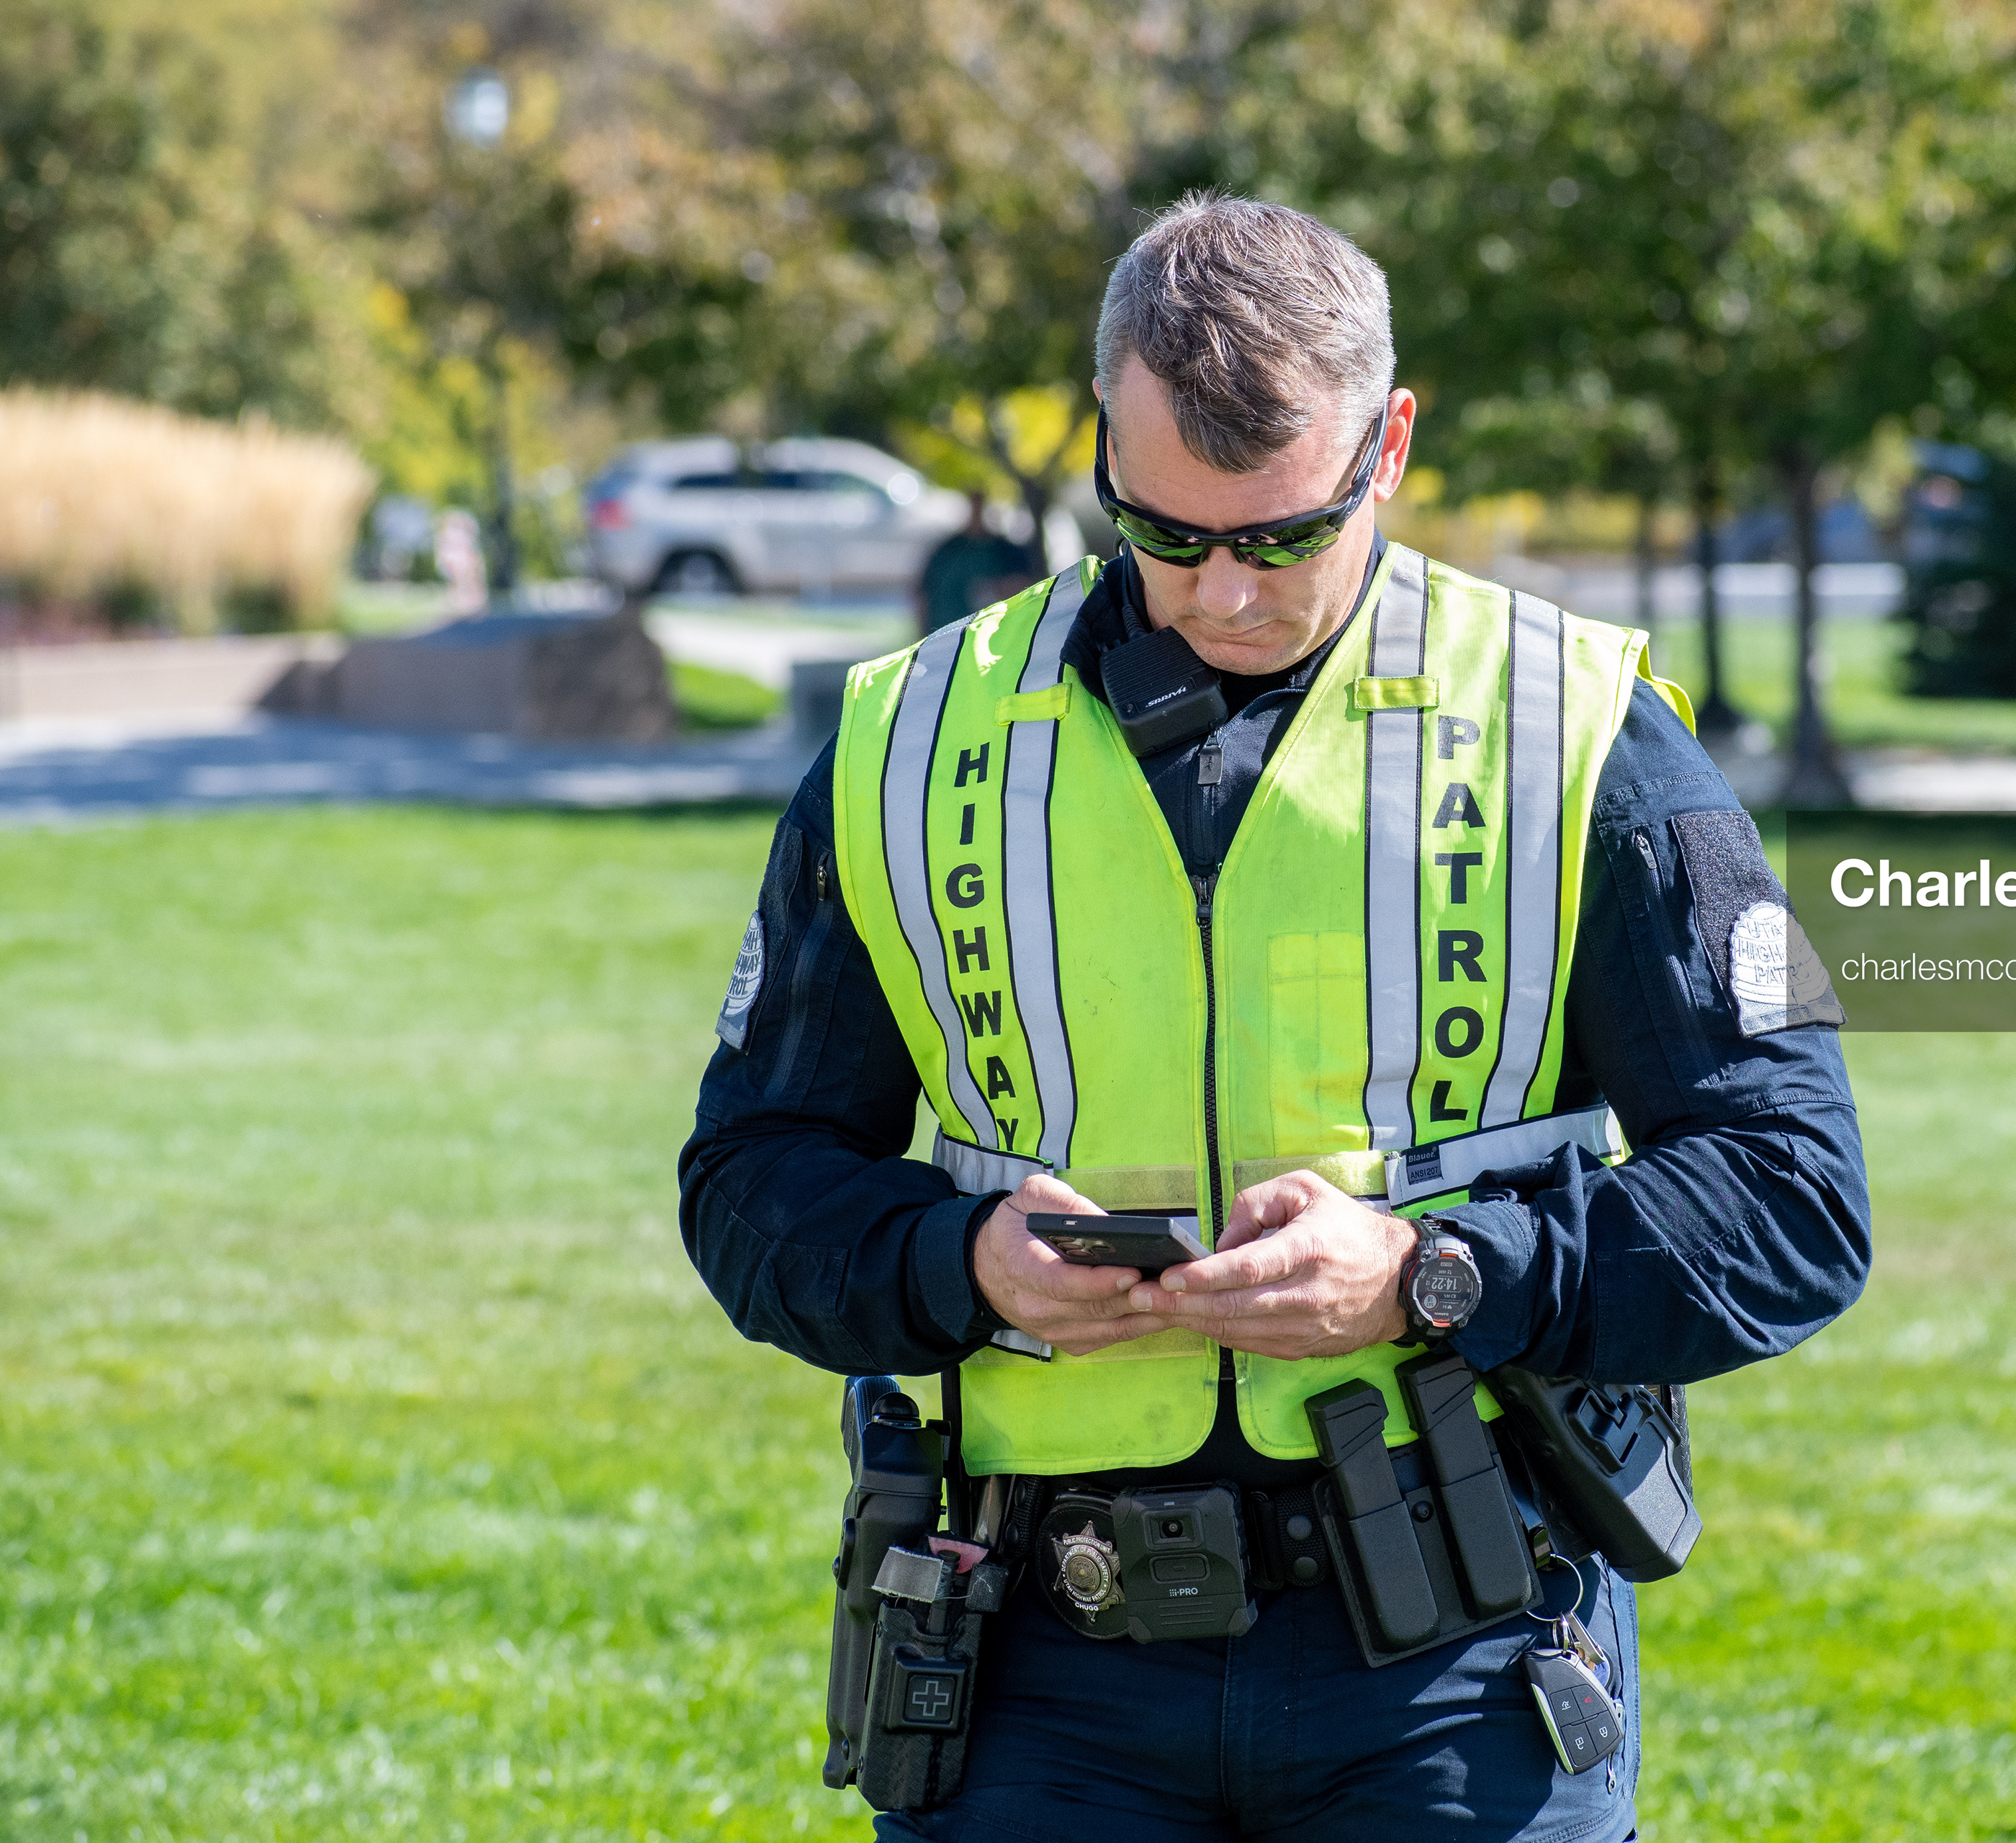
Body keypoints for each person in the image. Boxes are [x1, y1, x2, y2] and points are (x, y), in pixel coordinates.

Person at [680, 194, 1869, 1842]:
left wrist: (1430, 1272)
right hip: (1033, 1655)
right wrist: (952, 1264)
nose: (1222, 594)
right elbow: (746, 1179)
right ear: (1104, 438)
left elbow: (1793, 1195)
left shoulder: (1585, 728)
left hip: (1454, 1650)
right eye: (1164, 534)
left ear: (1386, 444)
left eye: (1280, 533)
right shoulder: (908, 737)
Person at [914, 488, 1037, 638]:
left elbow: (1027, 587)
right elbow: (922, 594)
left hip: (994, 638)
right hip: (946, 638)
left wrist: (995, 589)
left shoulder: (1005, 551)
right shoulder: (947, 551)